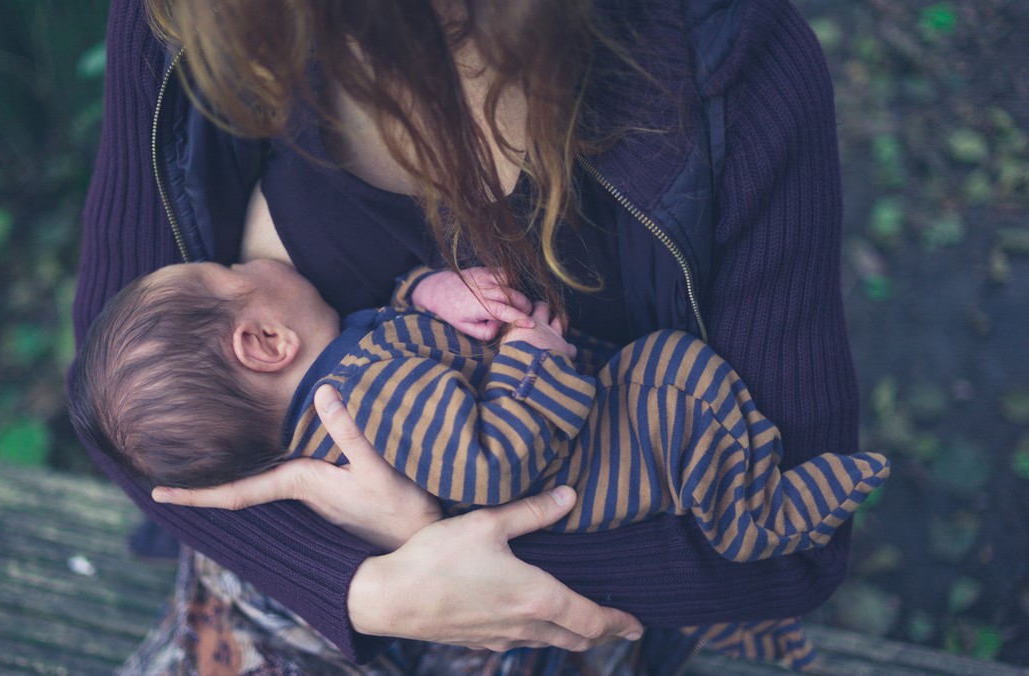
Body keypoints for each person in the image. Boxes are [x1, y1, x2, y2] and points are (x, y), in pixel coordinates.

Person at [71, 0, 860, 672]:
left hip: (550, 633)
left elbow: (794, 550)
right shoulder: (206, 19)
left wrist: (436, 544)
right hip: (273, 596)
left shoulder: (733, 70)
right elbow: (120, 418)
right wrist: (367, 584)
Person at [73, 258, 887, 566]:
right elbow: (489, 464)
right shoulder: (370, 395)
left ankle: (749, 483)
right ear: (263, 340)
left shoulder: (346, 374)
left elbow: (390, 327)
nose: (253, 257)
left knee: (682, 379)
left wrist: (427, 292)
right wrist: (532, 362)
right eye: (228, 267)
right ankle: (754, 516)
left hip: (598, 441)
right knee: (677, 379)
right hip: (611, 456)